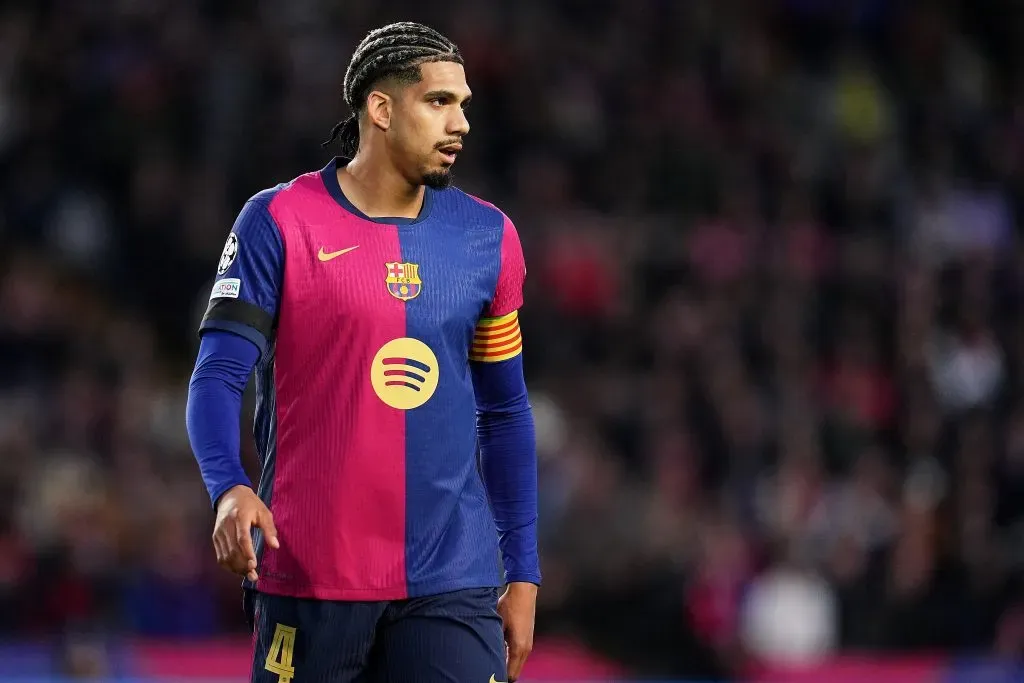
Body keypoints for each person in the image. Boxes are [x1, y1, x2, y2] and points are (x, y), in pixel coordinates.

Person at [185, 21, 540, 683]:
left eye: (464, 103)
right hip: (312, 574)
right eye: (440, 102)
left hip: (449, 578)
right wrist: (228, 485)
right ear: (381, 108)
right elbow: (218, 373)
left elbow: (507, 413)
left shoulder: (488, 237)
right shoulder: (279, 221)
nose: (460, 121)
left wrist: (521, 572)